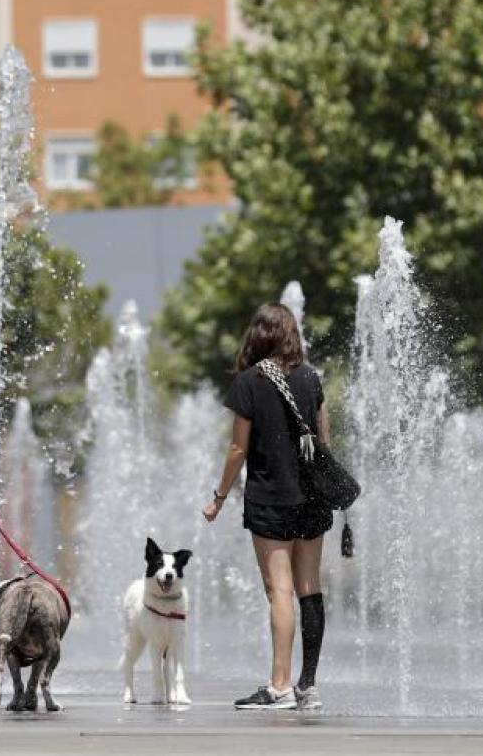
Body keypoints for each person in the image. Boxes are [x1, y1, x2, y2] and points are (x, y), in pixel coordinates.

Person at [203, 304, 330, 711]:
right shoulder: (312, 379)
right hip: (312, 498)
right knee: (309, 591)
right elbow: (324, 443)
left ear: (258, 334)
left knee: (279, 592)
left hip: (272, 499)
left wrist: (219, 496)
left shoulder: (249, 382)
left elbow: (238, 448)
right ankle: (307, 686)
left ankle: (279, 687)